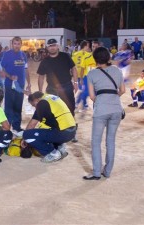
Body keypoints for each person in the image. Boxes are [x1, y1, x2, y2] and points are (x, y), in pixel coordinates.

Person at [83, 46, 125, 180]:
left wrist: (101, 100)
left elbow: (91, 96)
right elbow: (122, 90)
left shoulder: (92, 74)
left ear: (95, 59)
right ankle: (107, 171)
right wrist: (113, 97)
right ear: (108, 57)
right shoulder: (117, 71)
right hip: (116, 109)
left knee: (96, 141)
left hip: (101, 109)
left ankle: (96, 172)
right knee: (110, 140)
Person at [37, 38, 78, 141]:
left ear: (58, 46)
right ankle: (55, 130)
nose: (52, 47)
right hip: (52, 89)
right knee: (51, 111)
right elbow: (41, 76)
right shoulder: (45, 61)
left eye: (54, 45)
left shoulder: (65, 56)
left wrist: (76, 82)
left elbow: (73, 68)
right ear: (47, 47)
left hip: (67, 86)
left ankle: (72, 132)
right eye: (50, 46)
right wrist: (40, 91)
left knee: (70, 109)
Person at [23, 91, 76, 163]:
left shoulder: (42, 104)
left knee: (27, 134)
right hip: (72, 131)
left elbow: (31, 125)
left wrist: (24, 139)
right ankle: (61, 148)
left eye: (34, 105)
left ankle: (53, 153)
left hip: (63, 133)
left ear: (36, 99)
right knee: (48, 128)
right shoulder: (52, 97)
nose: (35, 107)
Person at [1, 36, 31, 135]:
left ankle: (17, 127)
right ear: (12, 44)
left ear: (21, 44)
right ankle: (7, 128)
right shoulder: (7, 55)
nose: (16, 46)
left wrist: (29, 83)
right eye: (15, 43)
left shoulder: (23, 55)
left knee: (18, 106)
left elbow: (26, 70)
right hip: (10, 85)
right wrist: (10, 77)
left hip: (20, 87)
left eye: (18, 44)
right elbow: (3, 69)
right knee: (9, 107)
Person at [72, 40, 90, 111]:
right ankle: (77, 102)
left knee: (82, 89)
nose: (88, 47)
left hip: (76, 75)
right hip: (84, 75)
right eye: (88, 46)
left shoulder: (75, 54)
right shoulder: (87, 54)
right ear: (85, 46)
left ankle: (84, 103)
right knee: (85, 90)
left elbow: (72, 65)